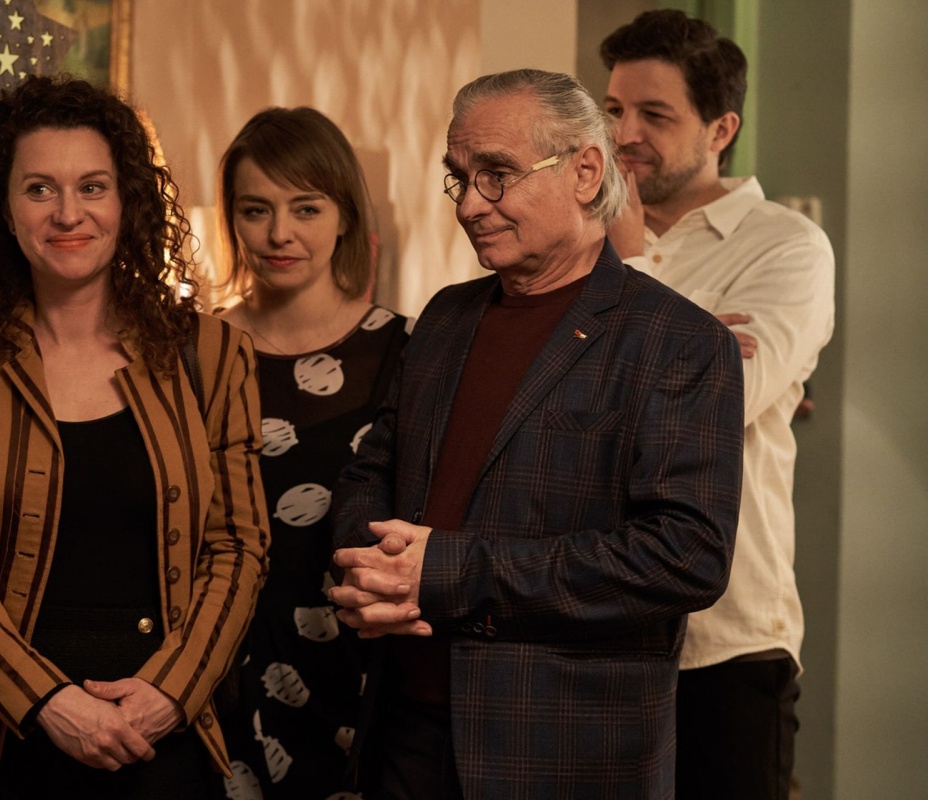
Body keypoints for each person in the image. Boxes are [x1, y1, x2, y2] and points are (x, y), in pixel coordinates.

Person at [330, 68, 746, 799]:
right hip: (404, 735)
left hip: (561, 752)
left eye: (498, 175)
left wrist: (449, 572)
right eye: (460, 179)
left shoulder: (678, 340)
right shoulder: (445, 317)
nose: (470, 205)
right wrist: (368, 568)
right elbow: (374, 467)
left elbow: (686, 557)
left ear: (585, 171)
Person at [0, 75, 268, 799]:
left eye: (93, 187)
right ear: (5, 208)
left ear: (127, 202)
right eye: (39, 189)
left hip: (154, 739)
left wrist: (171, 692)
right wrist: (48, 701)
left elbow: (238, 546)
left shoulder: (212, 354)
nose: (68, 213)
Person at [600, 10, 835, 799]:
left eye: (654, 114)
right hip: (585, 627)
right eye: (613, 109)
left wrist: (628, 270)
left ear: (721, 128)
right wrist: (691, 342)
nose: (624, 134)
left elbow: (715, 407)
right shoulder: (569, 241)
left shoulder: (785, 246)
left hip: (726, 638)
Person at [213, 106, 412, 799]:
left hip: (361, 671)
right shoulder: (193, 352)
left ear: (345, 215)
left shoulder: (408, 350)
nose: (280, 233)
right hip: (221, 666)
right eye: (256, 209)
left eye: (306, 208)